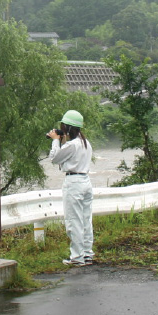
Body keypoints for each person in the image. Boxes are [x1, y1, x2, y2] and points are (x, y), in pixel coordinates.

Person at [47, 110, 94, 266]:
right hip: (86, 181)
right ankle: (87, 254)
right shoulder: (85, 143)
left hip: (73, 183)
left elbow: (54, 158)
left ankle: (77, 258)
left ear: (67, 127)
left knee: (74, 221)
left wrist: (55, 140)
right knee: (86, 220)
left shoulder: (72, 145)